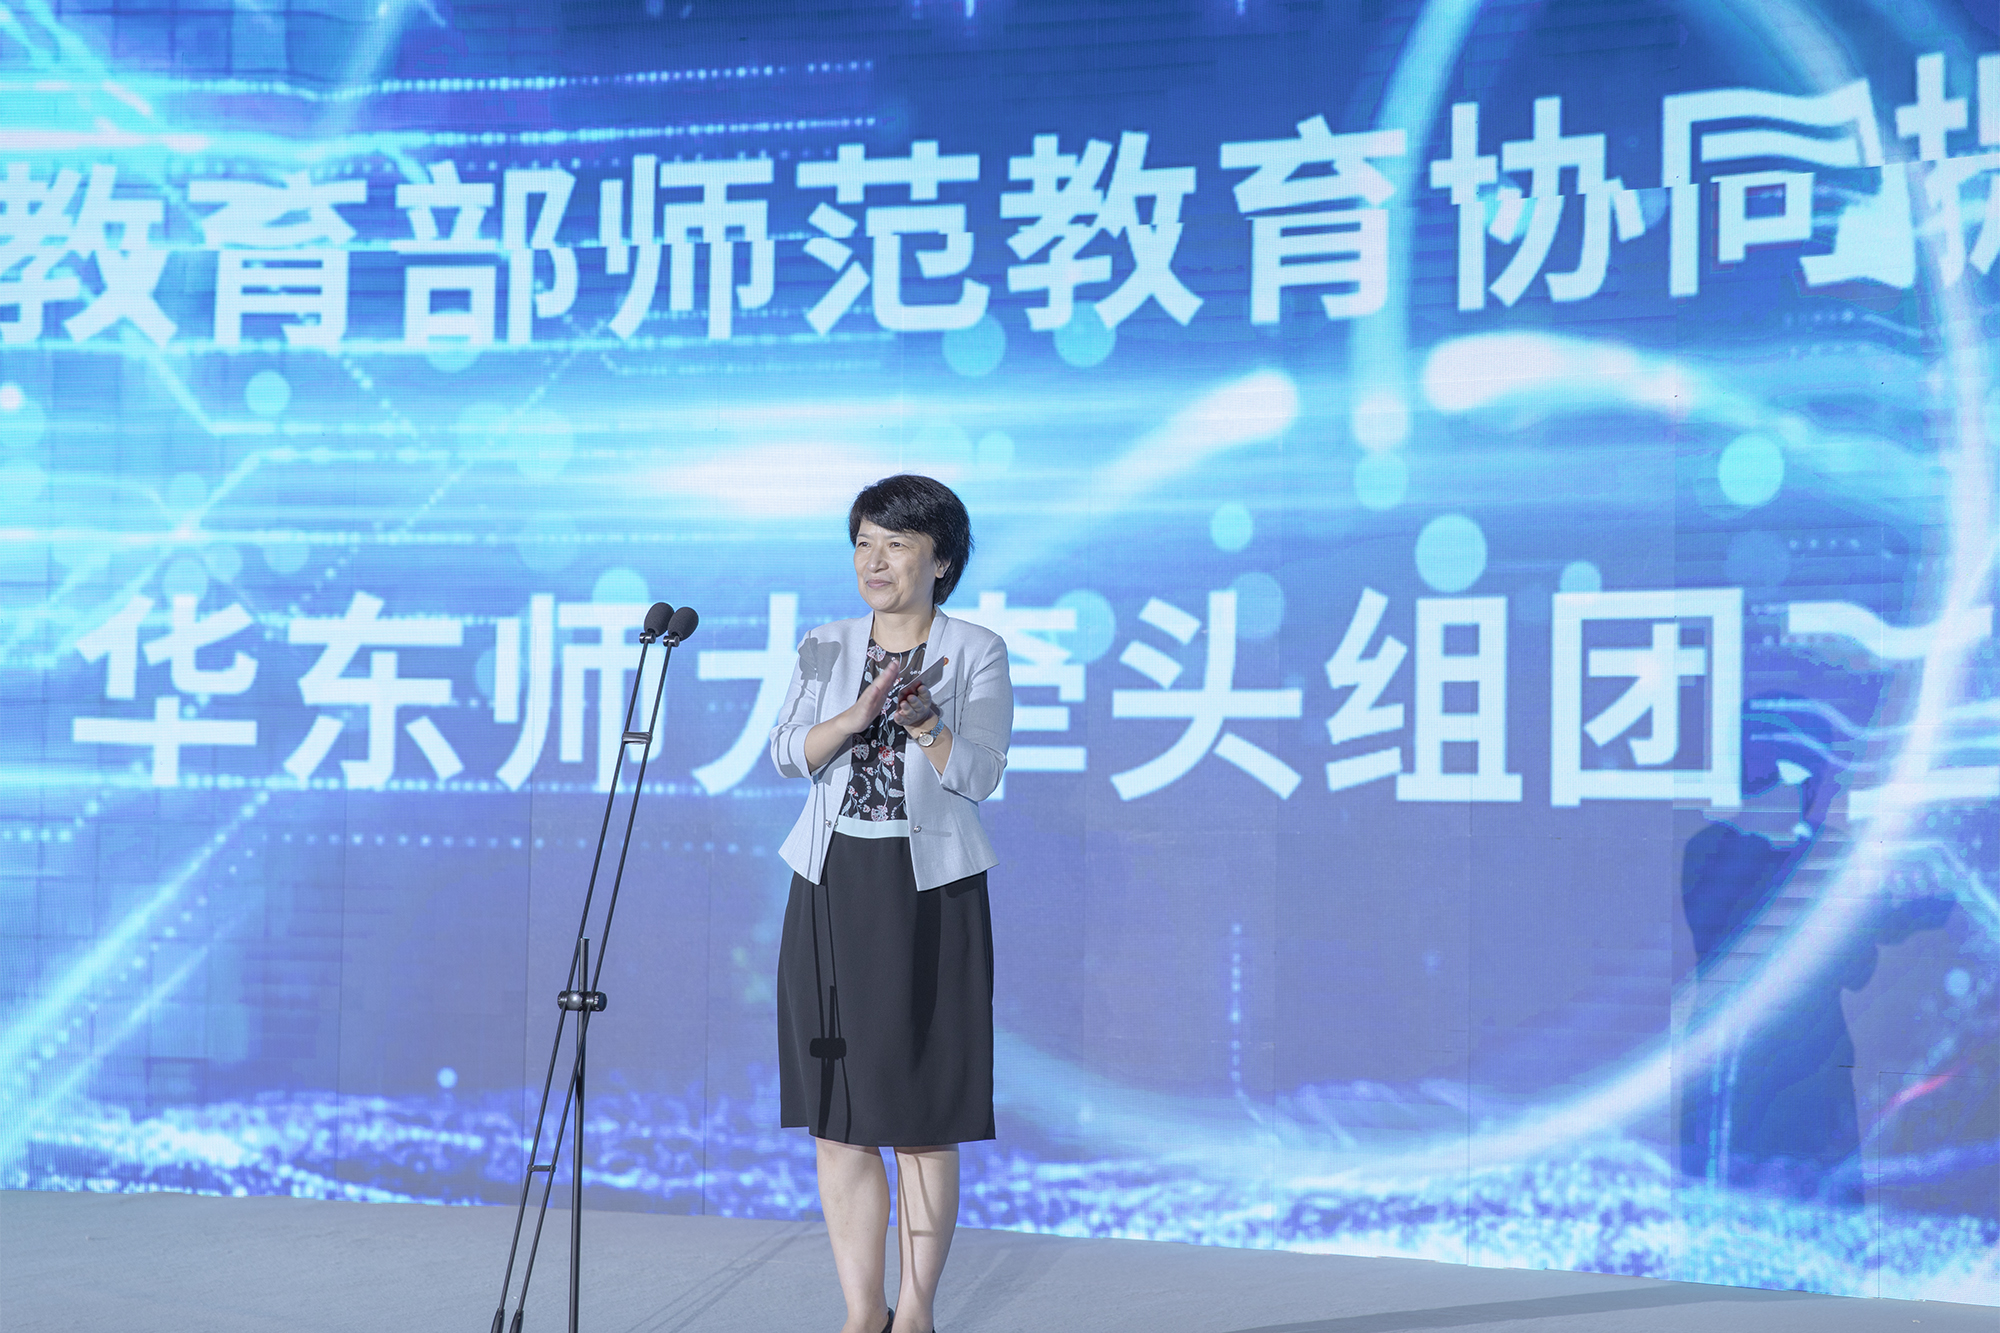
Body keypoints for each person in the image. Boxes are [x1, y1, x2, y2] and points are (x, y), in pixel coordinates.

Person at [768, 474, 1012, 1333]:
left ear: (940, 561)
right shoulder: (824, 644)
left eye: (896, 545)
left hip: (929, 891)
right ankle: (859, 1313)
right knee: (838, 1118)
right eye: (864, 543)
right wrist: (854, 716)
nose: (874, 561)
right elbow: (786, 751)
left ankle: (914, 1313)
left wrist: (927, 727)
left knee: (920, 1116)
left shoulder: (976, 649)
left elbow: (982, 773)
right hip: (830, 882)